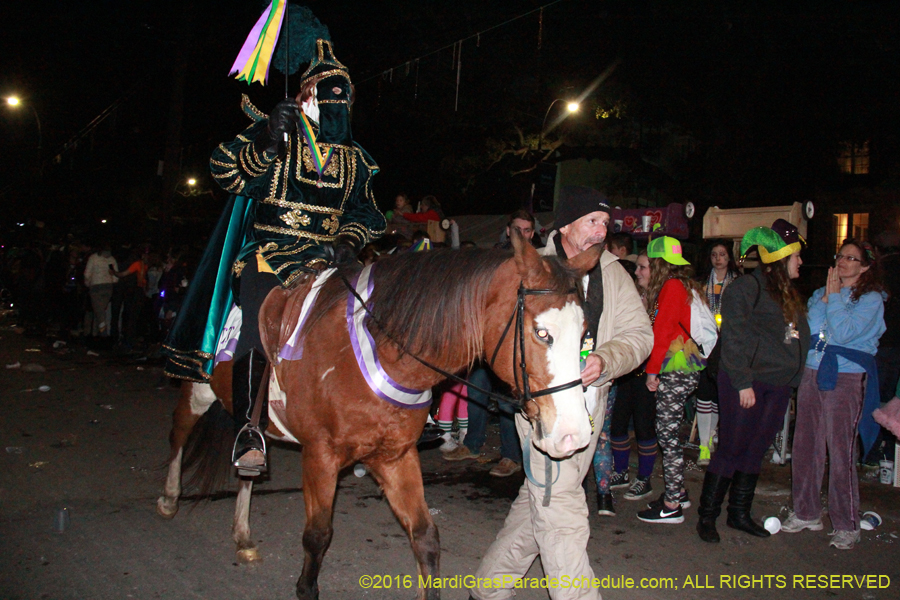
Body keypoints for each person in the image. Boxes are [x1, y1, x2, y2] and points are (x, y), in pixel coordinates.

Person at [163, 33, 386, 476]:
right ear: (307, 95)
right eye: (326, 93)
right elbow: (225, 171)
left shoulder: (356, 159)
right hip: (270, 256)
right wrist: (267, 138)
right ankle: (249, 428)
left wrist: (347, 240)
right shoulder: (278, 132)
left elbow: (367, 213)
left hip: (331, 259)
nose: (335, 103)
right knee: (258, 319)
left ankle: (396, 408)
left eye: (343, 96)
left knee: (381, 310)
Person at [470, 186, 653, 600]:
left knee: (539, 503)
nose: (601, 230)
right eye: (593, 221)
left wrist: (606, 359)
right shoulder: (530, 267)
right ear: (567, 225)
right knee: (561, 511)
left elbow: (641, 335)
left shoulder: (613, 272)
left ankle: (485, 591)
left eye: (605, 223)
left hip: (590, 408)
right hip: (545, 408)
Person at [696, 220, 810, 543]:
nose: (801, 262)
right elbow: (733, 337)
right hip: (746, 382)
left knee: (755, 449)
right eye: (796, 256)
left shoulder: (787, 293)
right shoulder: (746, 288)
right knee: (731, 448)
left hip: (777, 385)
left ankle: (739, 513)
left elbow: (794, 337)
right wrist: (743, 381)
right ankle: (707, 516)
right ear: (781, 259)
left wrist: (793, 379)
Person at [783, 239, 885, 550]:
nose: (842, 261)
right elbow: (810, 329)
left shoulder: (872, 299)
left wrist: (835, 298)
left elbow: (843, 332)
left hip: (847, 375)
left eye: (851, 258)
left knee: (840, 450)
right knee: (805, 444)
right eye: (840, 255)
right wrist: (827, 299)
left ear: (864, 267)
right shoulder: (821, 293)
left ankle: (846, 523)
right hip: (813, 370)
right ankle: (806, 512)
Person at [636, 236, 706, 525]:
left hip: (677, 366)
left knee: (666, 433)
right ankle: (679, 493)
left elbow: (663, 333)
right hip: (683, 364)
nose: (638, 271)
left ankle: (672, 505)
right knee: (670, 431)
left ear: (658, 264)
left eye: (644, 266)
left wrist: (652, 372)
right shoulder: (681, 285)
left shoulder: (672, 287)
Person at [608, 251, 658, 505]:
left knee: (644, 426)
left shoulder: (662, 298)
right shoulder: (633, 297)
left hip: (649, 372)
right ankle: (621, 471)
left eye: (642, 267)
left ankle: (644, 478)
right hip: (627, 369)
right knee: (617, 424)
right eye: (636, 267)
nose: (637, 272)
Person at [695, 239, 741, 466]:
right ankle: (704, 444)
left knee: (721, 394)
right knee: (704, 393)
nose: (718, 259)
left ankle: (715, 436)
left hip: (729, 344)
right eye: (714, 254)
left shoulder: (739, 282)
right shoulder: (702, 282)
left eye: (722, 254)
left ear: (729, 257)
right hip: (705, 343)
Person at [83, 244, 118, 338]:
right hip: (108, 286)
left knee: (99, 311)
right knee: (100, 310)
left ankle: (103, 332)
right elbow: (115, 277)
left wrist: (88, 283)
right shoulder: (112, 260)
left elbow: (87, 274)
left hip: (96, 286)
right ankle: (96, 333)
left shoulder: (93, 258)